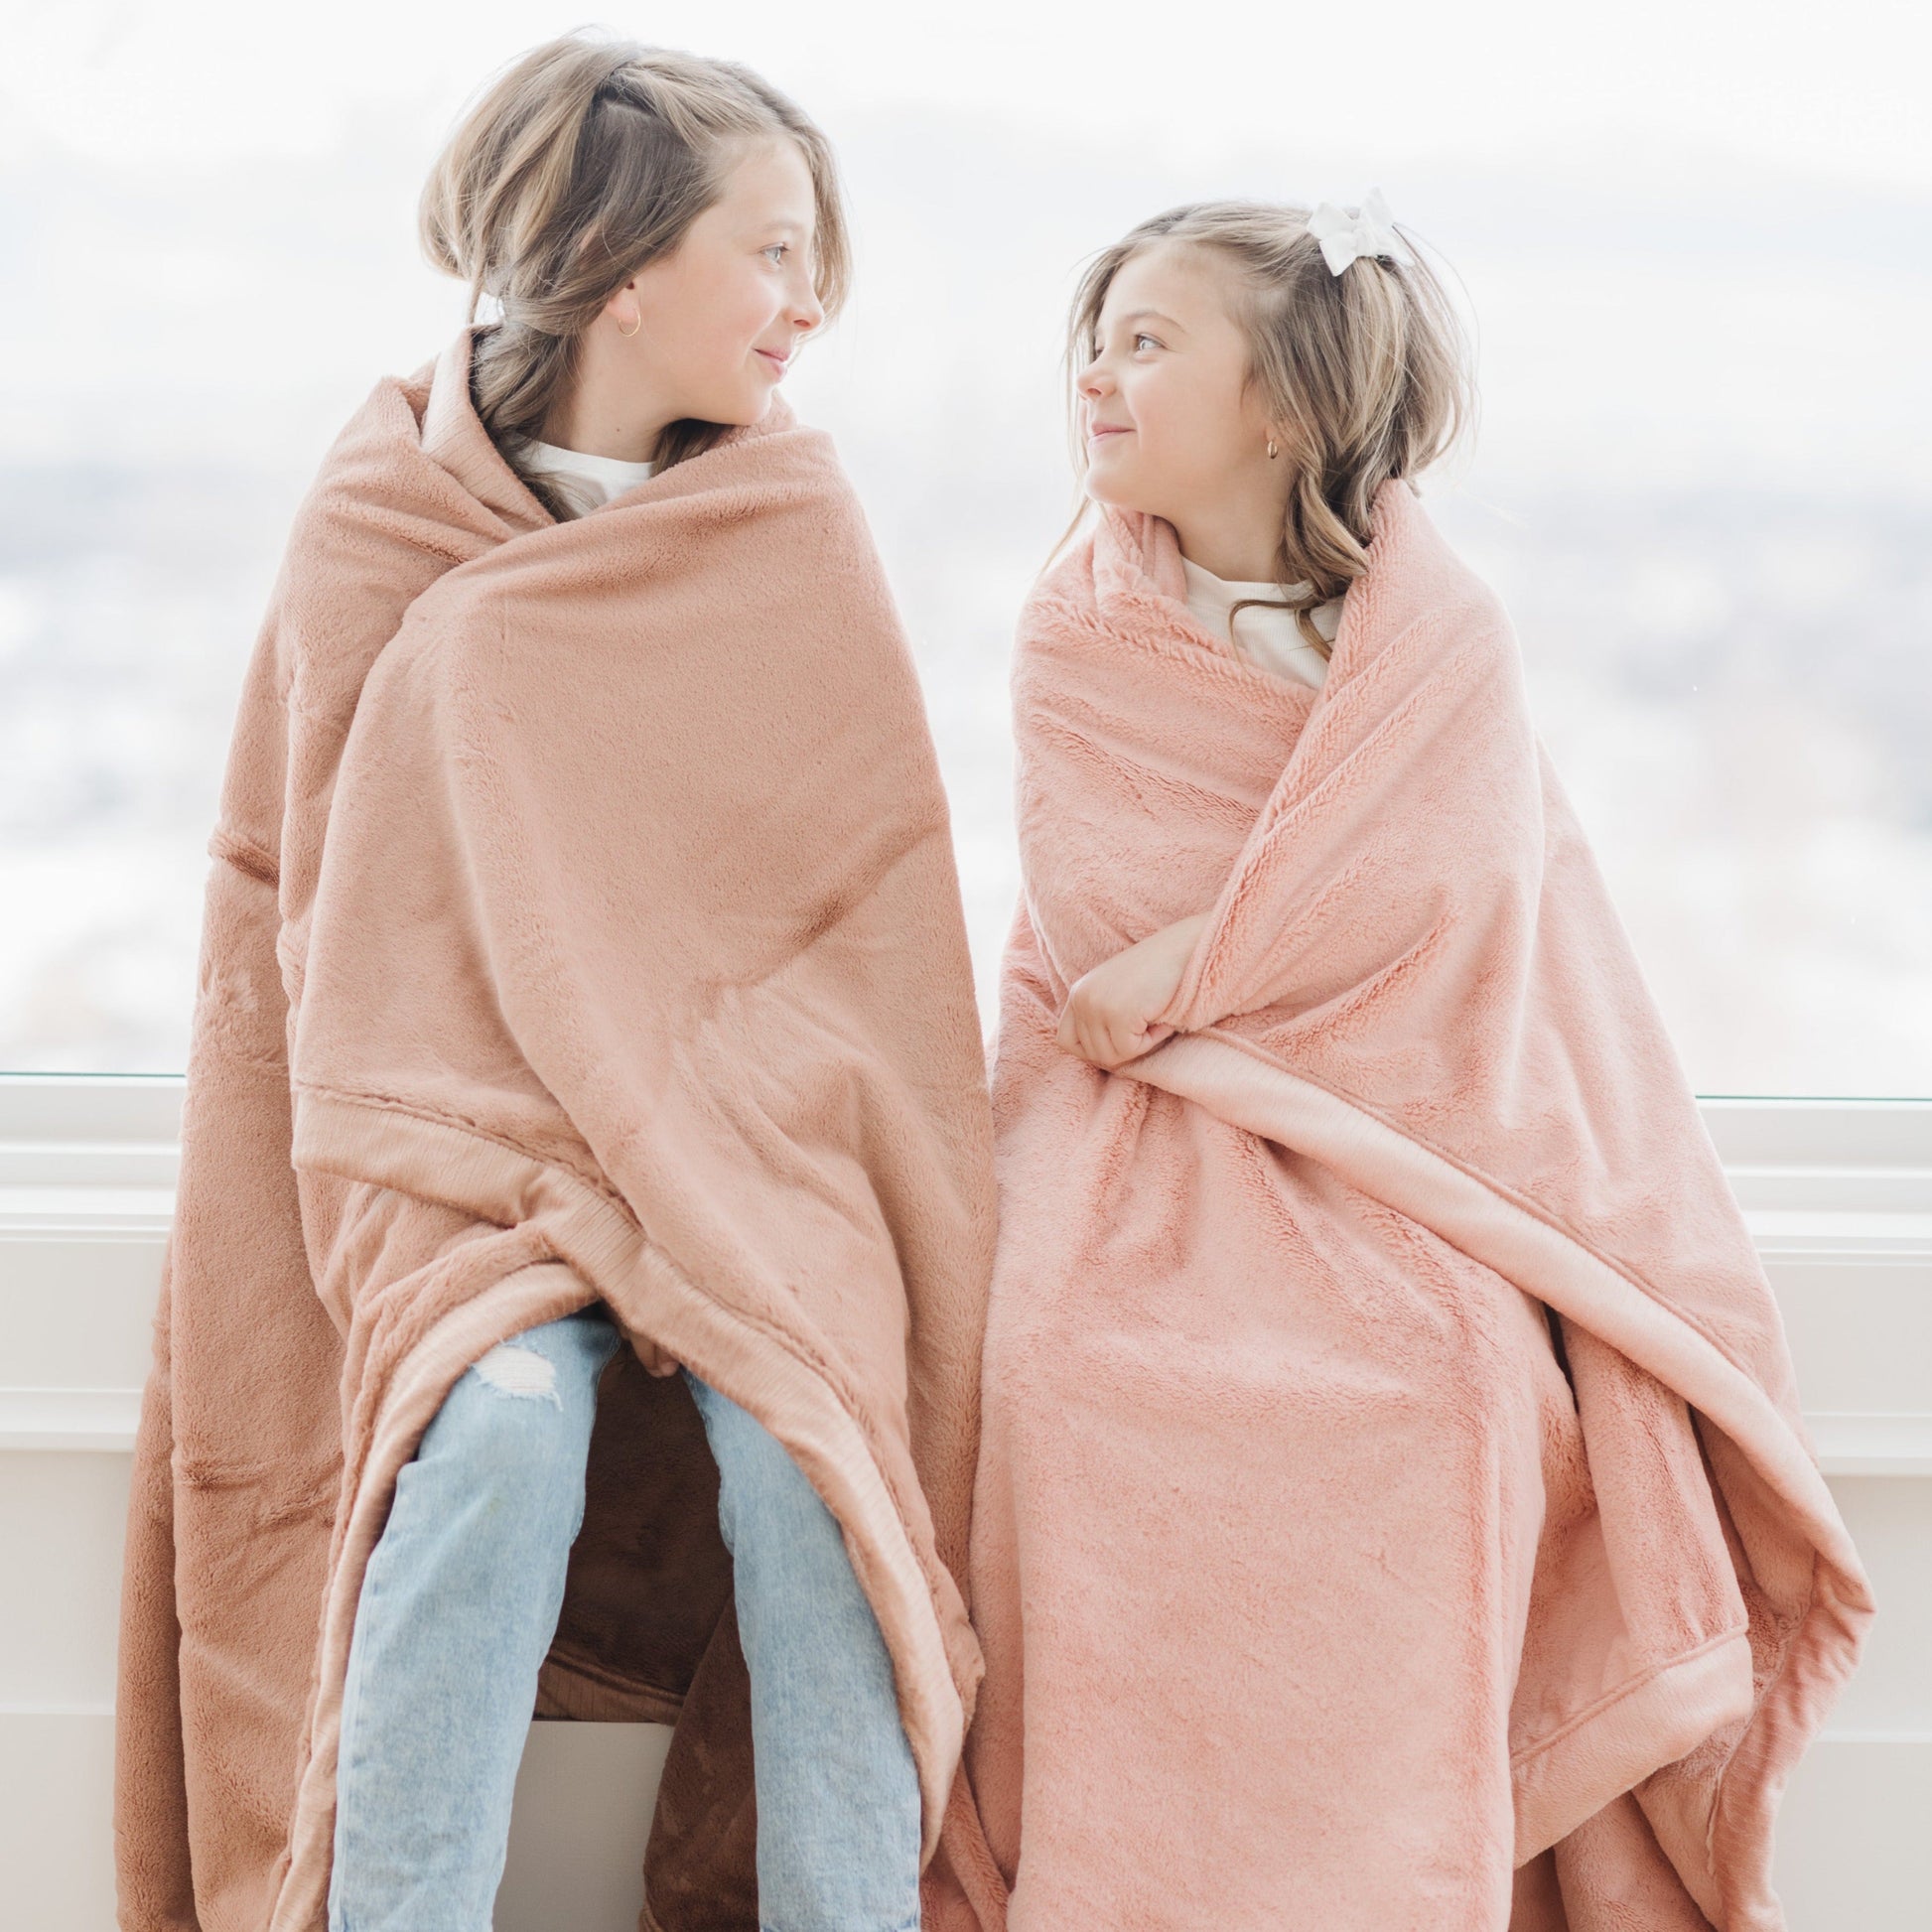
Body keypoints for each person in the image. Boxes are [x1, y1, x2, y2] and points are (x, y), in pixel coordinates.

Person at [114, 36, 994, 1932]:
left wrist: (697, 1146)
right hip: (451, 1141)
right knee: (499, 1414)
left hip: (750, 1148)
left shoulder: (786, 529)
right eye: (767, 253)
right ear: (618, 266)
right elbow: (320, 919)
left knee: (808, 1458)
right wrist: (535, 1152)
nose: (804, 303)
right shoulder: (380, 518)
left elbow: (847, 921)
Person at [925, 196, 1870, 1931]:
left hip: (1398, 1114)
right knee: (1064, 1366)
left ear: (1280, 401)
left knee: (1454, 1377)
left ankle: (1378, 1875)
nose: (1096, 374)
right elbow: (1101, 918)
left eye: (1146, 342)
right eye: (1092, 338)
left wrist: (1217, 961)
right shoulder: (1084, 631)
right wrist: (1236, 953)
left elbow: (1453, 909)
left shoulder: (1437, 637)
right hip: (1147, 1127)